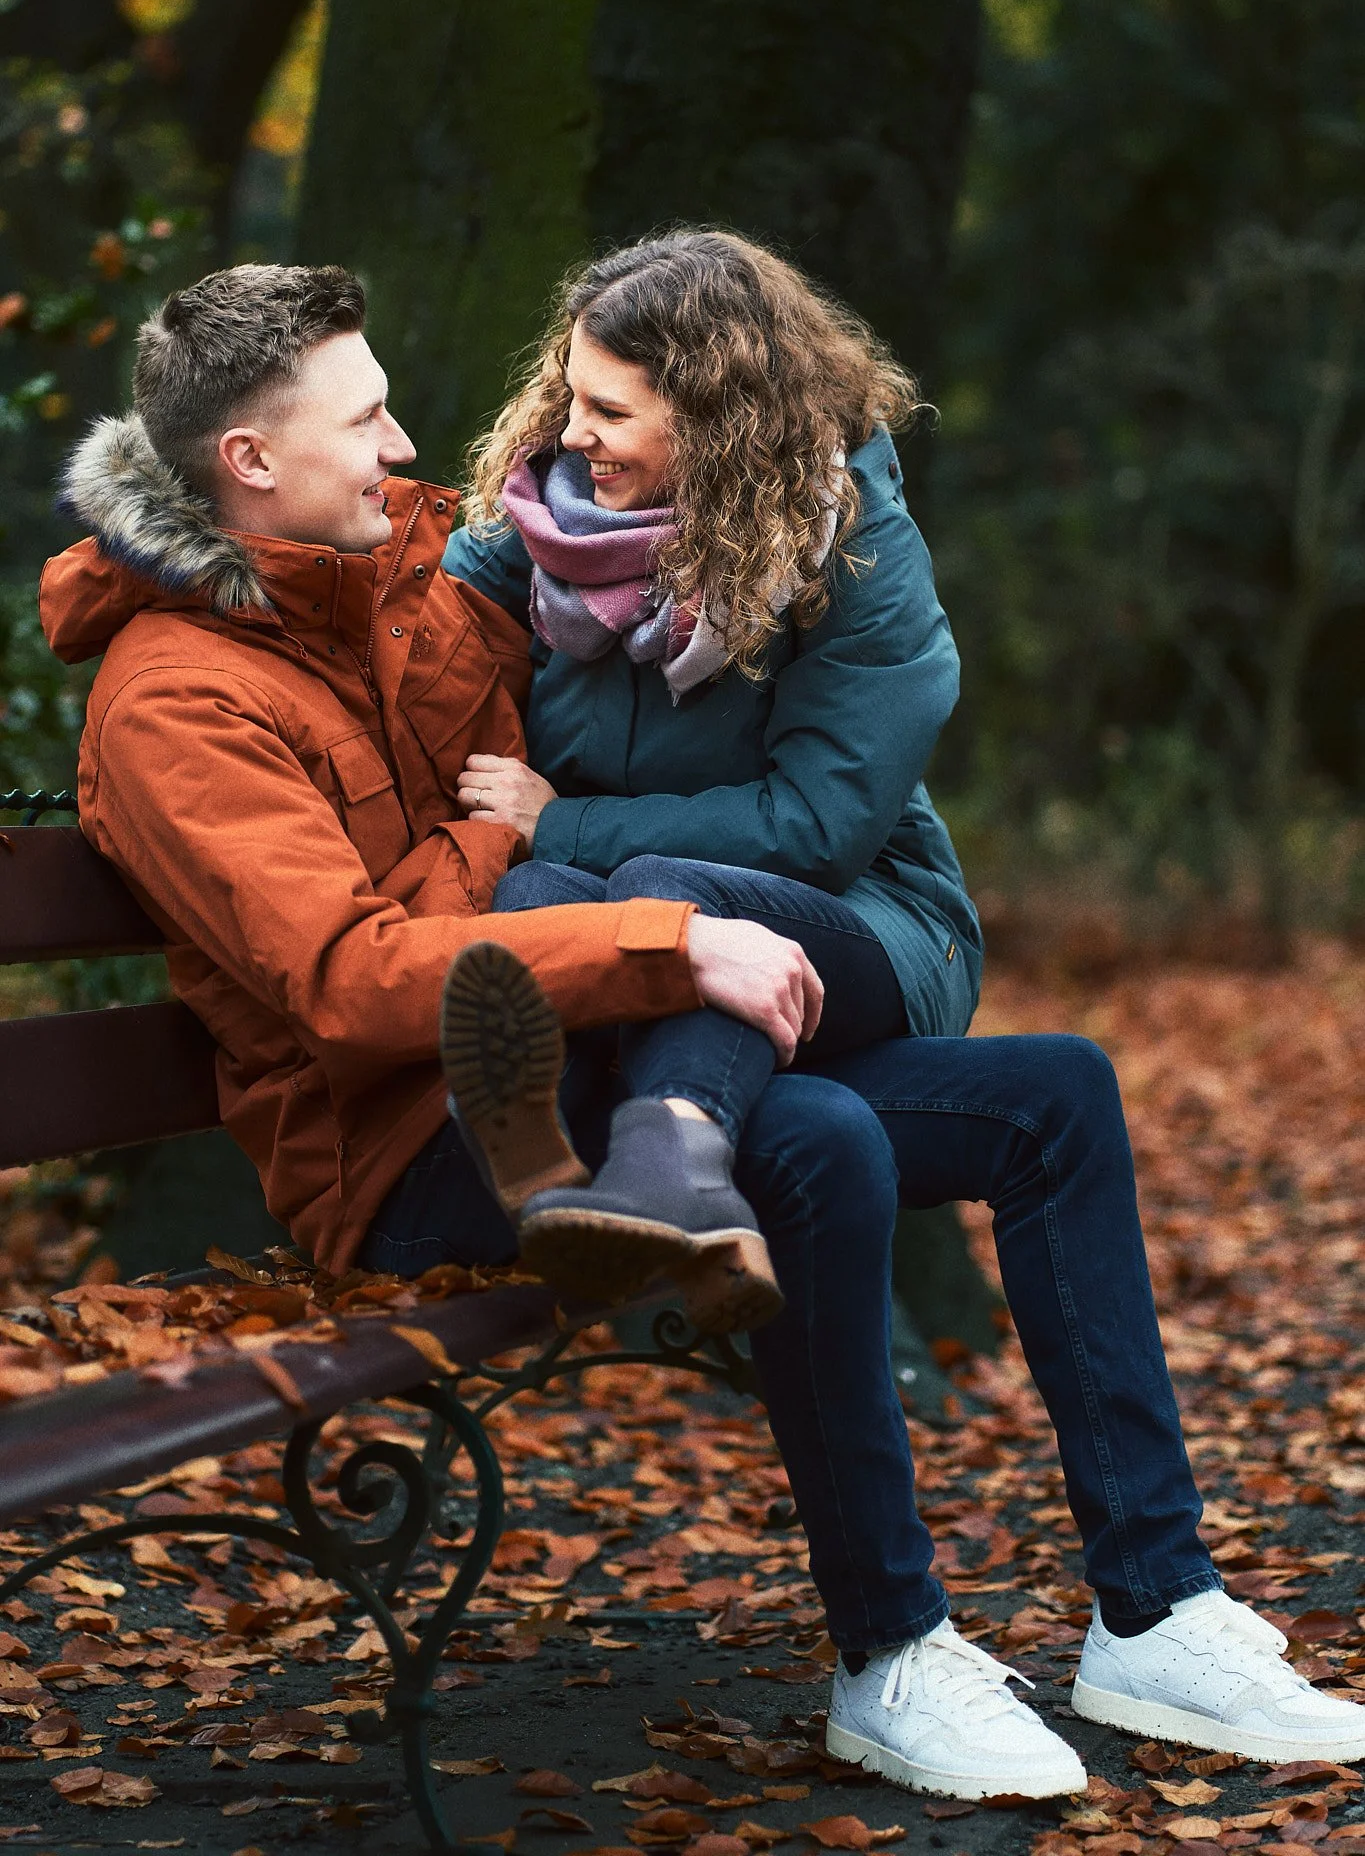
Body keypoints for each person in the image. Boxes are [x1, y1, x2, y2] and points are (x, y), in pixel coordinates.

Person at [430, 229, 1365, 1790]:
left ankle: (1155, 1619)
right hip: (650, 977)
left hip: (863, 931)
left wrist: (563, 830)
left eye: (611, 411)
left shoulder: (847, 535)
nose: (568, 435)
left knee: (687, 881)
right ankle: (953, 1644)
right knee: (1037, 1097)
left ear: (720, 416)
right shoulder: (519, 535)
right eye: (569, 397)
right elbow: (381, 642)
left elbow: (817, 822)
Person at [38, 261, 825, 1333]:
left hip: (527, 1052)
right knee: (818, 1141)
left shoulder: (399, 596)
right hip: (402, 1158)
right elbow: (353, 983)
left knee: (1010, 1096)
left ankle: (912, 1508)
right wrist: (668, 942)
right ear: (251, 458)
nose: (402, 446)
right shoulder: (175, 704)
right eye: (366, 419)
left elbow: (582, 732)